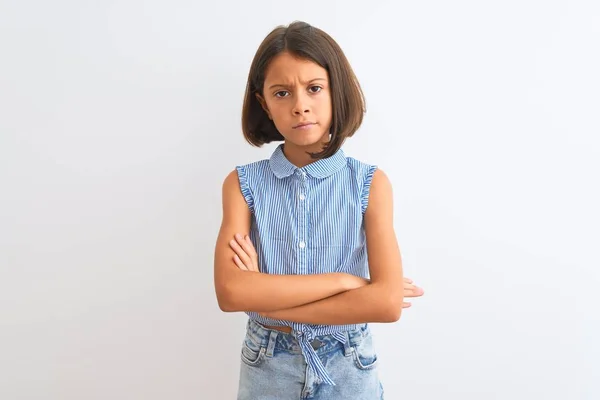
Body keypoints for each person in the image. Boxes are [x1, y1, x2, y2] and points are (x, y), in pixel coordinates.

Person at [213, 20, 424, 400]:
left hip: (348, 359)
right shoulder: (241, 186)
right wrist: (345, 283)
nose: (300, 106)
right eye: (281, 93)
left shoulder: (370, 184)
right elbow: (231, 293)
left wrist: (265, 295)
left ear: (335, 90)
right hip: (267, 363)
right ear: (264, 103)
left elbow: (387, 303)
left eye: (314, 88)